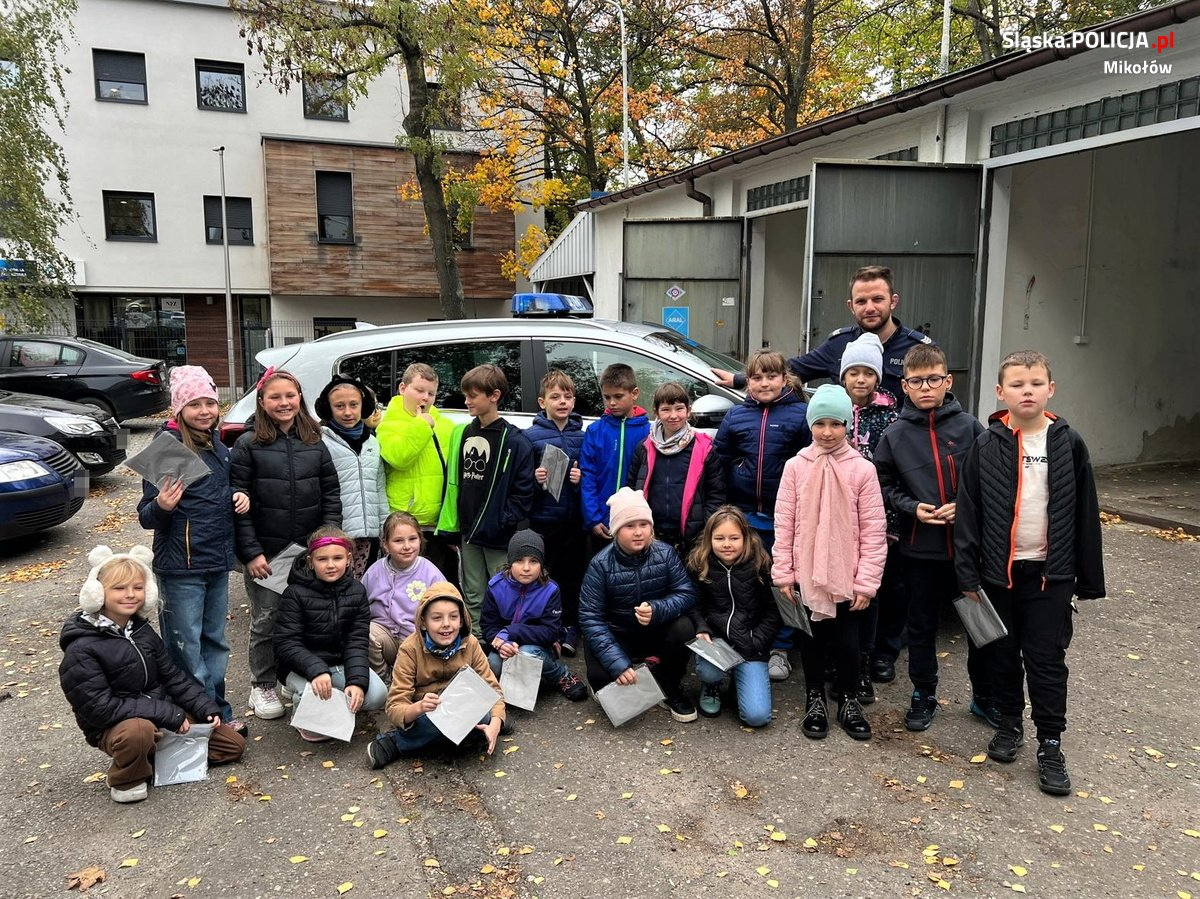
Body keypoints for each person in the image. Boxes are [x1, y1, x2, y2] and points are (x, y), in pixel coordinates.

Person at [955, 350, 1105, 796]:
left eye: (1035, 383)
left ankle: (1050, 743)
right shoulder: (985, 444)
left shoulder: (1068, 442)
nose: (1027, 391)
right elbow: (969, 512)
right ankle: (1008, 724)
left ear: (1050, 389)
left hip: (1049, 576)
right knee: (1001, 656)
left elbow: (1085, 513)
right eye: (1017, 384)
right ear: (1000, 393)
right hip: (997, 575)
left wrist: (1088, 579)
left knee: (1045, 660)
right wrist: (967, 576)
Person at [59, 546, 245, 804]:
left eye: (137, 587)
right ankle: (126, 779)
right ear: (98, 593)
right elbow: (100, 709)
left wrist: (204, 707)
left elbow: (172, 677)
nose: (130, 595)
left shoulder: (141, 631)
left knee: (231, 745)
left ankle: (152, 756)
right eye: (119, 588)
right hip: (118, 726)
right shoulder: (81, 648)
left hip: (160, 715)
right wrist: (167, 713)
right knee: (138, 731)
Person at [874, 344, 994, 733]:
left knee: (979, 625)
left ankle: (984, 695)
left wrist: (964, 505)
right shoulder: (894, 435)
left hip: (968, 549)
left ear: (948, 381)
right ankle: (924, 693)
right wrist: (912, 508)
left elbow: (989, 480)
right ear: (904, 385)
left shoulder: (971, 428)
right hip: (919, 548)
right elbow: (884, 484)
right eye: (916, 381)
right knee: (922, 626)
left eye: (933, 379)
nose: (926, 387)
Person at [136, 365, 249, 734]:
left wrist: (237, 495)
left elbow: (218, 494)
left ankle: (219, 711)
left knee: (215, 643)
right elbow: (146, 516)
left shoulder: (215, 444)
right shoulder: (166, 447)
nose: (204, 411)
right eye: (195, 404)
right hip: (181, 566)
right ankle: (201, 716)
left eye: (210, 403)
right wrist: (163, 506)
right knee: (185, 648)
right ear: (178, 408)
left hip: (216, 560)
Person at [772, 385, 887, 741]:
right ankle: (815, 697)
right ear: (810, 425)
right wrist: (784, 572)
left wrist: (866, 581)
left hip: (846, 572)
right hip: (807, 570)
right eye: (819, 423)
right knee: (813, 640)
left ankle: (849, 698)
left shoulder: (862, 470)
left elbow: (873, 529)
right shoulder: (796, 467)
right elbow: (785, 522)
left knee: (848, 642)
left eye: (835, 424)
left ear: (846, 425)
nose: (826, 432)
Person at [230, 368, 341, 721]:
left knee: (306, 619)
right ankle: (261, 684)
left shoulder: (314, 440)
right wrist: (250, 552)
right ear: (262, 402)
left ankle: (296, 681)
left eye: (290, 396)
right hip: (267, 552)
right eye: (275, 397)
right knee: (267, 619)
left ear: (300, 399)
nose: (284, 403)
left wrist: (328, 540)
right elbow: (237, 502)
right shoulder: (248, 445)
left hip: (307, 552)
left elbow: (330, 493)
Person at [713, 349, 810, 682]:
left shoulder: (801, 414)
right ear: (748, 382)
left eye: (771, 376)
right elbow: (719, 461)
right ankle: (746, 637)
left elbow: (812, 463)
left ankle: (781, 647)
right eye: (756, 377)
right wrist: (723, 509)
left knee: (783, 582)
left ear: (784, 379)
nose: (764, 383)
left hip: (784, 517)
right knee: (747, 582)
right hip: (744, 517)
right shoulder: (736, 416)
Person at [712, 265, 935, 399]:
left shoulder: (918, 349)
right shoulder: (839, 345)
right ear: (850, 306)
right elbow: (793, 369)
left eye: (878, 299)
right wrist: (740, 378)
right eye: (861, 301)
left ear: (893, 301)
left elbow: (936, 396)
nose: (869, 308)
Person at [578, 488, 698, 722]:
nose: (638, 532)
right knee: (603, 676)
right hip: (618, 633)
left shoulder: (666, 554)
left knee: (684, 627)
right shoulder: (600, 564)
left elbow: (685, 593)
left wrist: (658, 609)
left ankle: (669, 685)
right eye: (629, 526)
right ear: (615, 530)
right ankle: (611, 677)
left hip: (655, 631)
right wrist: (618, 664)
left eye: (644, 524)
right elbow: (590, 617)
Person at [435, 364, 536, 635]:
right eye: (465, 395)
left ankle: (504, 640)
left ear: (494, 395)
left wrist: (502, 520)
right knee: (473, 592)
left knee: (504, 591)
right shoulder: (464, 433)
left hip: (497, 535)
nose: (466, 401)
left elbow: (524, 493)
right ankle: (478, 642)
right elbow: (456, 483)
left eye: (473, 396)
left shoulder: (516, 441)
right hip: (468, 532)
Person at [366, 583, 506, 767]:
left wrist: (496, 722)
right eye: (437, 618)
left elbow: (492, 691)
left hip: (462, 706)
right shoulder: (409, 649)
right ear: (423, 622)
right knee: (434, 723)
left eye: (453, 617)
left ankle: (460, 736)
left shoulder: (471, 643)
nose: (446, 624)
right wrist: (418, 708)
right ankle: (397, 742)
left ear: (462, 620)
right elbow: (394, 706)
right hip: (428, 713)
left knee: (486, 717)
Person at [274, 527, 388, 743]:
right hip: (299, 665)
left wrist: (356, 681)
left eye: (337, 558)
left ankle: (334, 696)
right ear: (310, 561)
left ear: (349, 559)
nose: (330, 565)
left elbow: (356, 640)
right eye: (322, 559)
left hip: (339, 662)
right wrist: (315, 670)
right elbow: (286, 643)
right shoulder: (294, 593)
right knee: (318, 730)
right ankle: (301, 701)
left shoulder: (356, 590)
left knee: (376, 696)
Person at [837, 334, 903, 703]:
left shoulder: (891, 417)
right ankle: (838, 658)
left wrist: (891, 522)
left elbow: (894, 471)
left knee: (871, 592)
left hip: (876, 518)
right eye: (854, 372)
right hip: (837, 520)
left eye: (867, 373)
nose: (860, 379)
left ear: (877, 378)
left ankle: (866, 659)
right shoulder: (829, 409)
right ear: (843, 376)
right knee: (836, 589)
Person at [686, 506, 781, 727]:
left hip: (750, 643)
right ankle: (711, 685)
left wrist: (756, 640)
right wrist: (702, 627)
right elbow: (693, 604)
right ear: (709, 539)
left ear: (745, 538)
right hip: (716, 642)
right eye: (719, 538)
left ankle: (741, 682)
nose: (727, 544)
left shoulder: (761, 564)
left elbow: (774, 611)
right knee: (709, 672)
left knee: (757, 717)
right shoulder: (700, 563)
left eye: (734, 538)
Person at [376, 363, 460, 586]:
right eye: (419, 390)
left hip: (438, 524)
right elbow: (398, 458)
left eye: (431, 393)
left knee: (439, 585)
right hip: (406, 524)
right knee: (407, 587)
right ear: (402, 388)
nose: (426, 398)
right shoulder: (388, 425)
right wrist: (422, 426)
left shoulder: (447, 426)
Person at [480, 530, 588, 702]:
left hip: (539, 645)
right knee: (493, 662)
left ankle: (561, 674)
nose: (526, 568)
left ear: (542, 564)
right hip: (505, 643)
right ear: (509, 563)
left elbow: (550, 632)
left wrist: (511, 631)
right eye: (519, 560)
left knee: (527, 653)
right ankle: (513, 682)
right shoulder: (496, 586)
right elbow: (488, 625)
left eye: (534, 561)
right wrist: (503, 644)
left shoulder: (550, 589)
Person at [626, 381, 726, 560]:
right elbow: (632, 488)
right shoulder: (644, 448)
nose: (673, 416)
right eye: (666, 409)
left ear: (688, 411)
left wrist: (702, 530)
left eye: (679, 409)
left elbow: (716, 495)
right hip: (653, 537)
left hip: (692, 540)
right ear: (656, 413)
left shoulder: (705, 449)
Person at [525, 369, 586, 655]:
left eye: (568, 396)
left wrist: (579, 482)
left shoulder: (582, 436)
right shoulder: (531, 437)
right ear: (542, 402)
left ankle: (570, 626)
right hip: (543, 522)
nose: (562, 402)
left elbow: (590, 478)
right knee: (543, 576)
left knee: (572, 576)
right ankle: (546, 627)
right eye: (555, 397)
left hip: (573, 522)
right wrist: (535, 481)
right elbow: (521, 481)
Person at [362, 511, 448, 681]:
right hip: (386, 636)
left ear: (420, 540)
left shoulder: (430, 573)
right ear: (386, 545)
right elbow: (360, 606)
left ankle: (405, 679)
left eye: (412, 539)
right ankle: (384, 681)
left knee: (417, 681)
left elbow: (447, 610)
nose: (407, 546)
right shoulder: (375, 571)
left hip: (417, 641)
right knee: (367, 632)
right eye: (398, 541)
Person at [317, 375, 388, 578]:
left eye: (354, 405)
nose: (348, 412)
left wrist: (384, 529)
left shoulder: (372, 443)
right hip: (337, 535)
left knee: (363, 589)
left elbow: (379, 488)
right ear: (328, 408)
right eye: (339, 406)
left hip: (369, 535)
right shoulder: (321, 442)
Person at [579, 363, 650, 544]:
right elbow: (588, 476)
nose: (612, 403)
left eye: (618, 396)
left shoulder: (648, 431)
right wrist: (593, 518)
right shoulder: (595, 431)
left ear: (634, 394)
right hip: (602, 521)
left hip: (636, 522)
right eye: (607, 397)